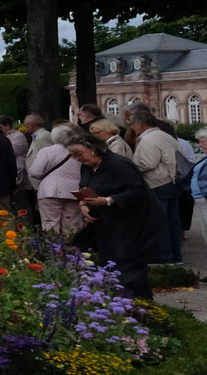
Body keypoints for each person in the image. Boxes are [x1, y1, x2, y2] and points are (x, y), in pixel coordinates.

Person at [66, 134, 166, 300]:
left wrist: (107, 200)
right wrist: (83, 204)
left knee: (128, 263)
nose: (76, 158)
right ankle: (117, 301)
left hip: (135, 222)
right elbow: (84, 186)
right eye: (73, 155)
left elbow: (137, 191)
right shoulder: (87, 167)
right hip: (109, 224)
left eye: (78, 153)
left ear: (93, 149)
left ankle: (138, 305)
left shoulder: (119, 164)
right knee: (109, 261)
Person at [124, 105, 182, 264]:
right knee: (173, 221)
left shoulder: (149, 138)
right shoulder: (166, 135)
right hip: (172, 181)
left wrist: (131, 167)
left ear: (139, 124)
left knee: (159, 223)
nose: (131, 127)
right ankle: (176, 256)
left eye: (132, 124)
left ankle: (164, 257)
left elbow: (148, 162)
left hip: (158, 183)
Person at [28, 126, 90, 237]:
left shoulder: (47, 151)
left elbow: (35, 172)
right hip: (74, 191)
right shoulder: (79, 151)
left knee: (50, 224)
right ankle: (72, 249)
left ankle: (54, 251)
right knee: (71, 225)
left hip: (50, 191)